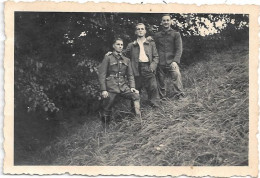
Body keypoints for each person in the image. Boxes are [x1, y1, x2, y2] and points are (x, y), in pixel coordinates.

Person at [98, 38, 141, 128]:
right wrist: (103, 90)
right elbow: (102, 74)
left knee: (135, 96)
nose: (120, 46)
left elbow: (130, 75)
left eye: (121, 45)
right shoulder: (108, 58)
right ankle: (105, 128)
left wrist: (132, 87)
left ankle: (137, 120)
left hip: (123, 86)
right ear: (113, 46)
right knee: (107, 105)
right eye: (118, 44)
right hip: (111, 86)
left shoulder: (126, 60)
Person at [124, 23, 160, 107]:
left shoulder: (151, 43)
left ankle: (155, 106)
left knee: (153, 87)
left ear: (145, 31)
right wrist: (113, 52)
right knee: (135, 89)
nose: (140, 30)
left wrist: (152, 66)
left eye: (142, 29)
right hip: (136, 68)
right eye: (138, 29)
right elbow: (124, 54)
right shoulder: (131, 45)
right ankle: (135, 110)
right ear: (135, 32)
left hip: (148, 67)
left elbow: (156, 56)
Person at [153, 14, 185, 100]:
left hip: (172, 61)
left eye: (167, 20)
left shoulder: (176, 34)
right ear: (161, 22)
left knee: (177, 75)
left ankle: (180, 95)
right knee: (160, 81)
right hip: (160, 62)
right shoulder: (157, 35)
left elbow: (179, 49)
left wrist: (175, 61)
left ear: (171, 22)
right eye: (164, 20)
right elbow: (154, 48)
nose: (166, 22)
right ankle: (162, 98)